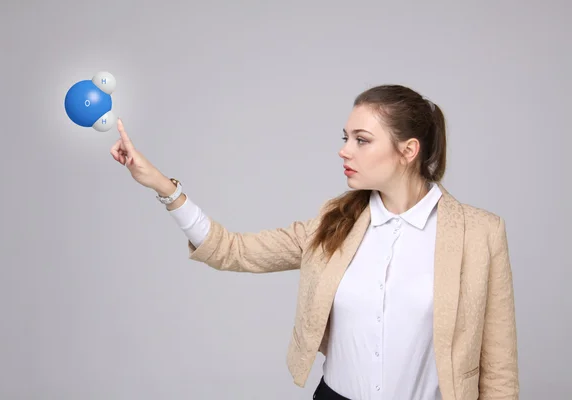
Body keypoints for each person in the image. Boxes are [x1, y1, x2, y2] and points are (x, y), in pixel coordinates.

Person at [110, 84, 519, 400]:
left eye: (362, 139)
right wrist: (162, 186)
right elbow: (232, 250)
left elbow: (498, 367)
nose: (344, 150)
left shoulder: (479, 233)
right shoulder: (332, 223)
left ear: (408, 150)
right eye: (345, 137)